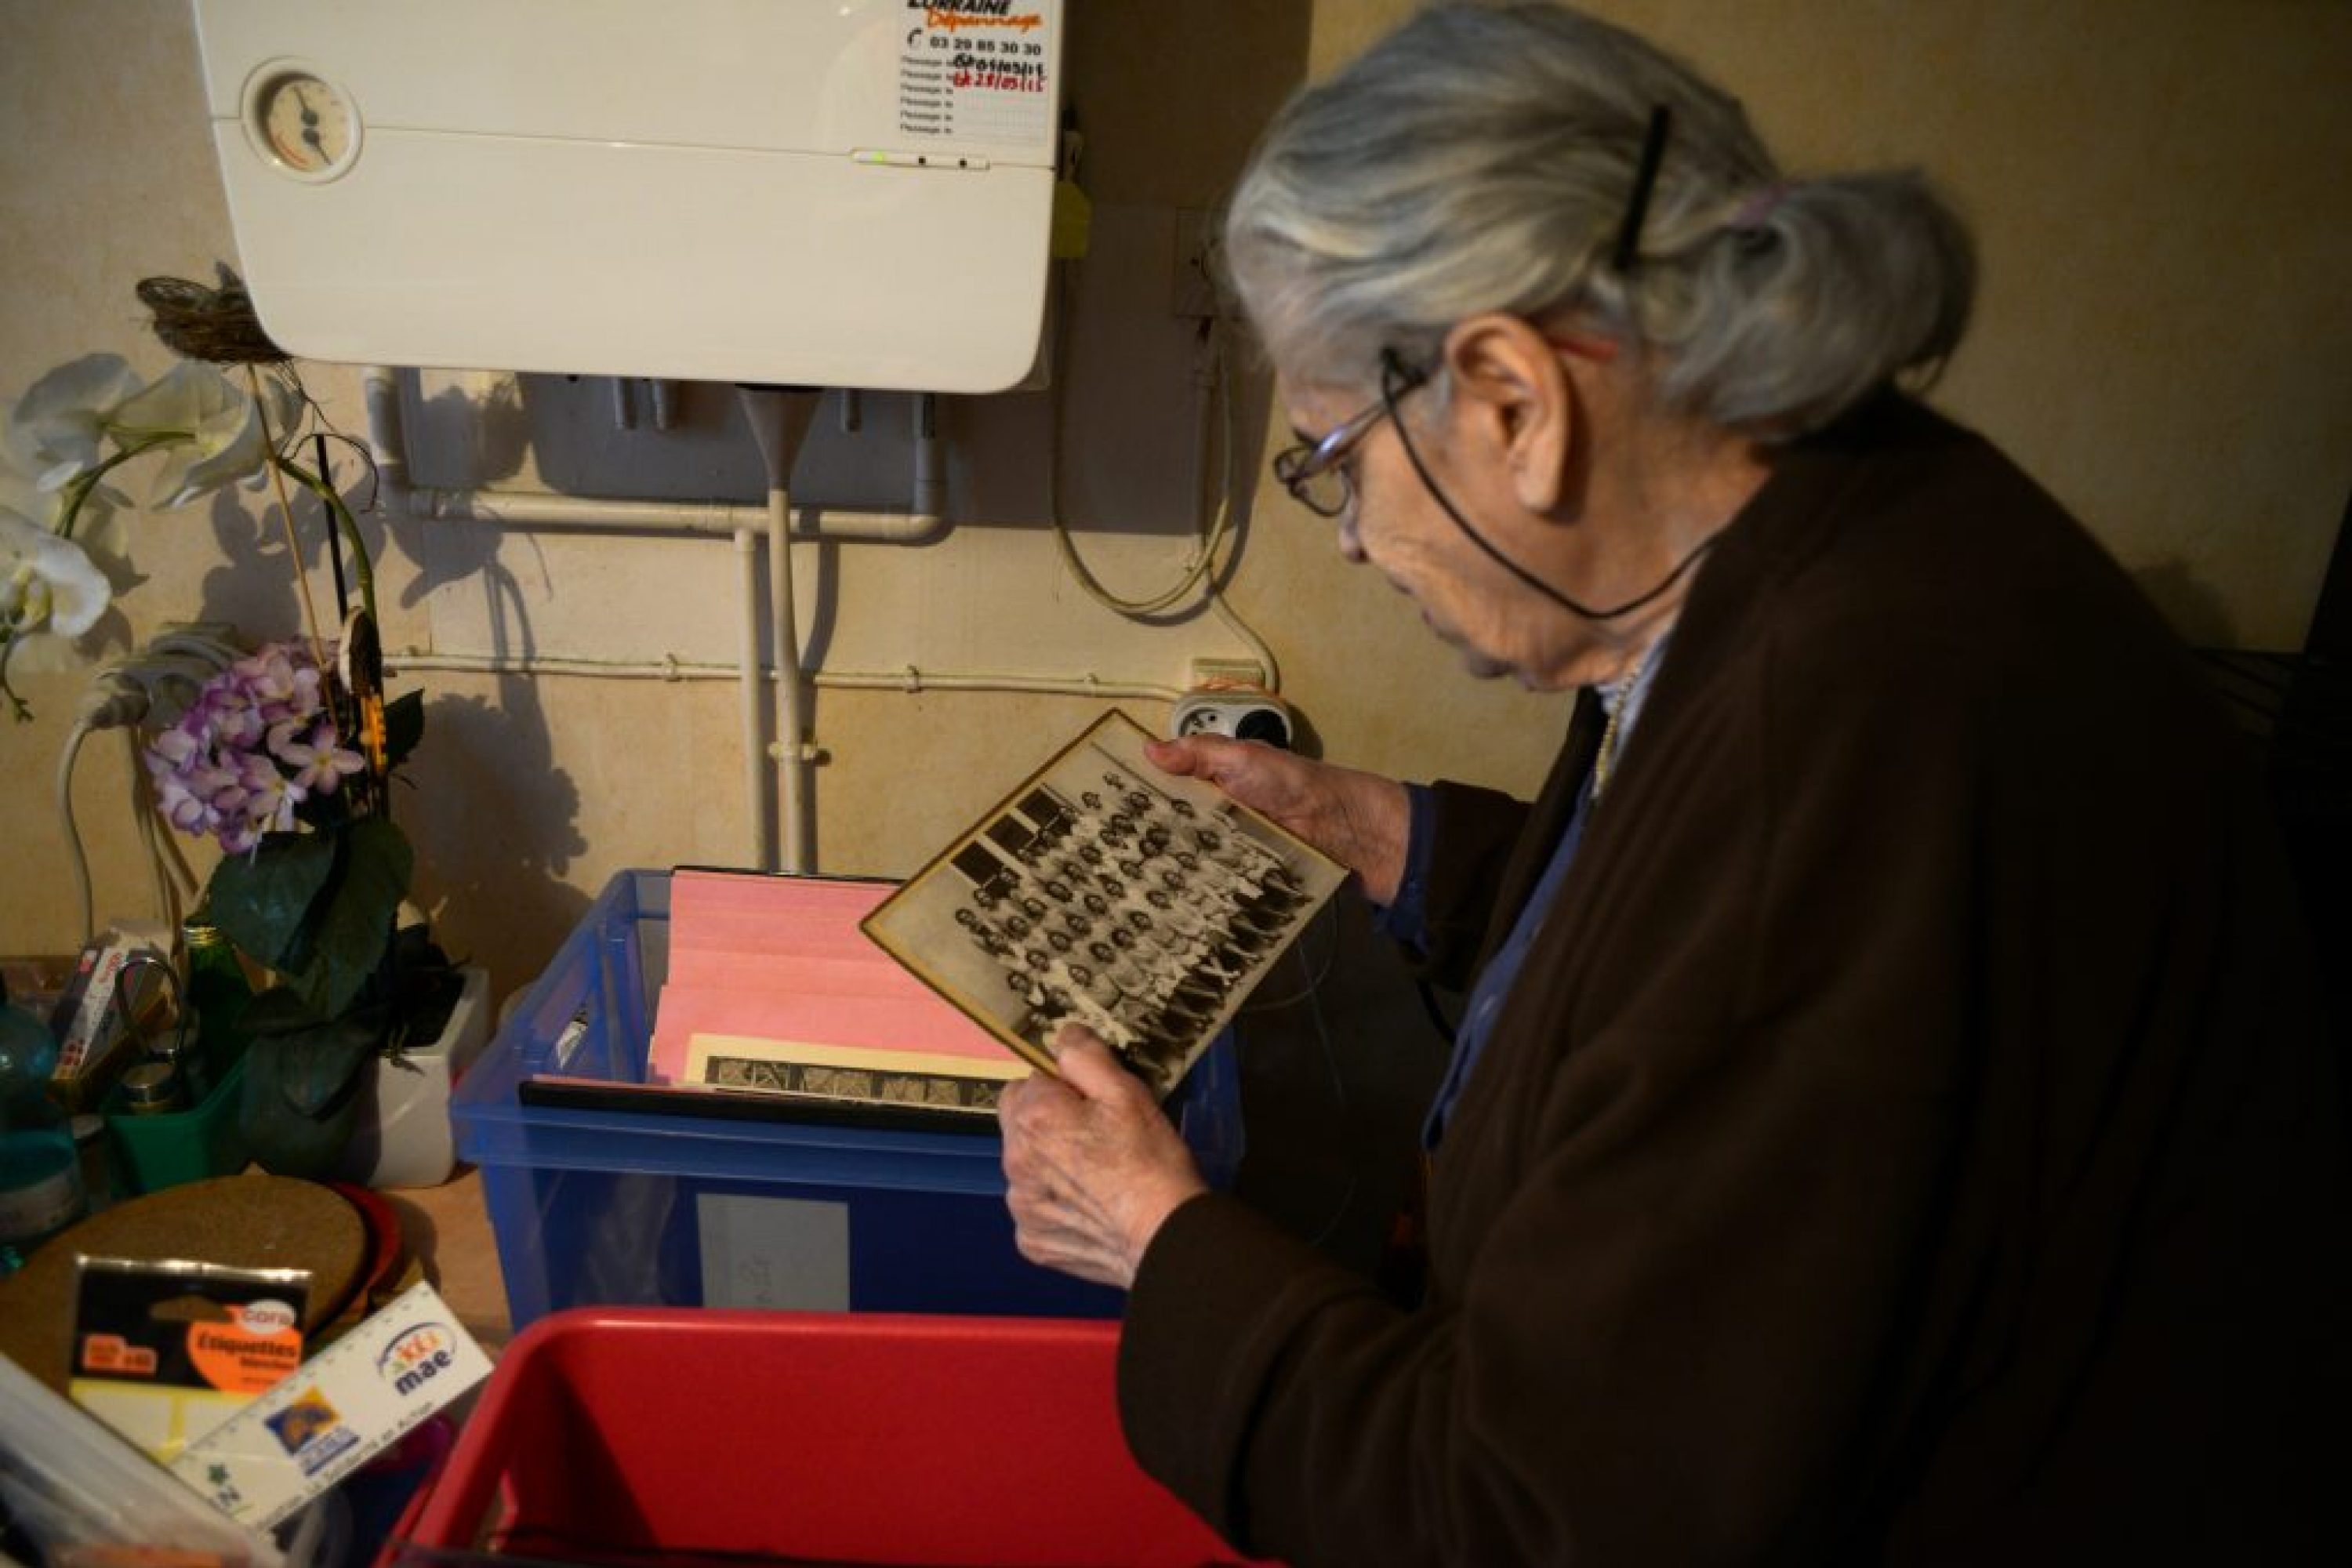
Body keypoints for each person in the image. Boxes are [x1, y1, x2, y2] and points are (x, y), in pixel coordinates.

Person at [993, 3, 2347, 1563]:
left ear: (1512, 396)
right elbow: (1667, 945)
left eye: (1332, 457)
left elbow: (1535, 1516)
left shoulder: (1854, 741)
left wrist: (1161, 1238)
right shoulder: (1821, 534)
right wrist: (1381, 836)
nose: (1353, 538)